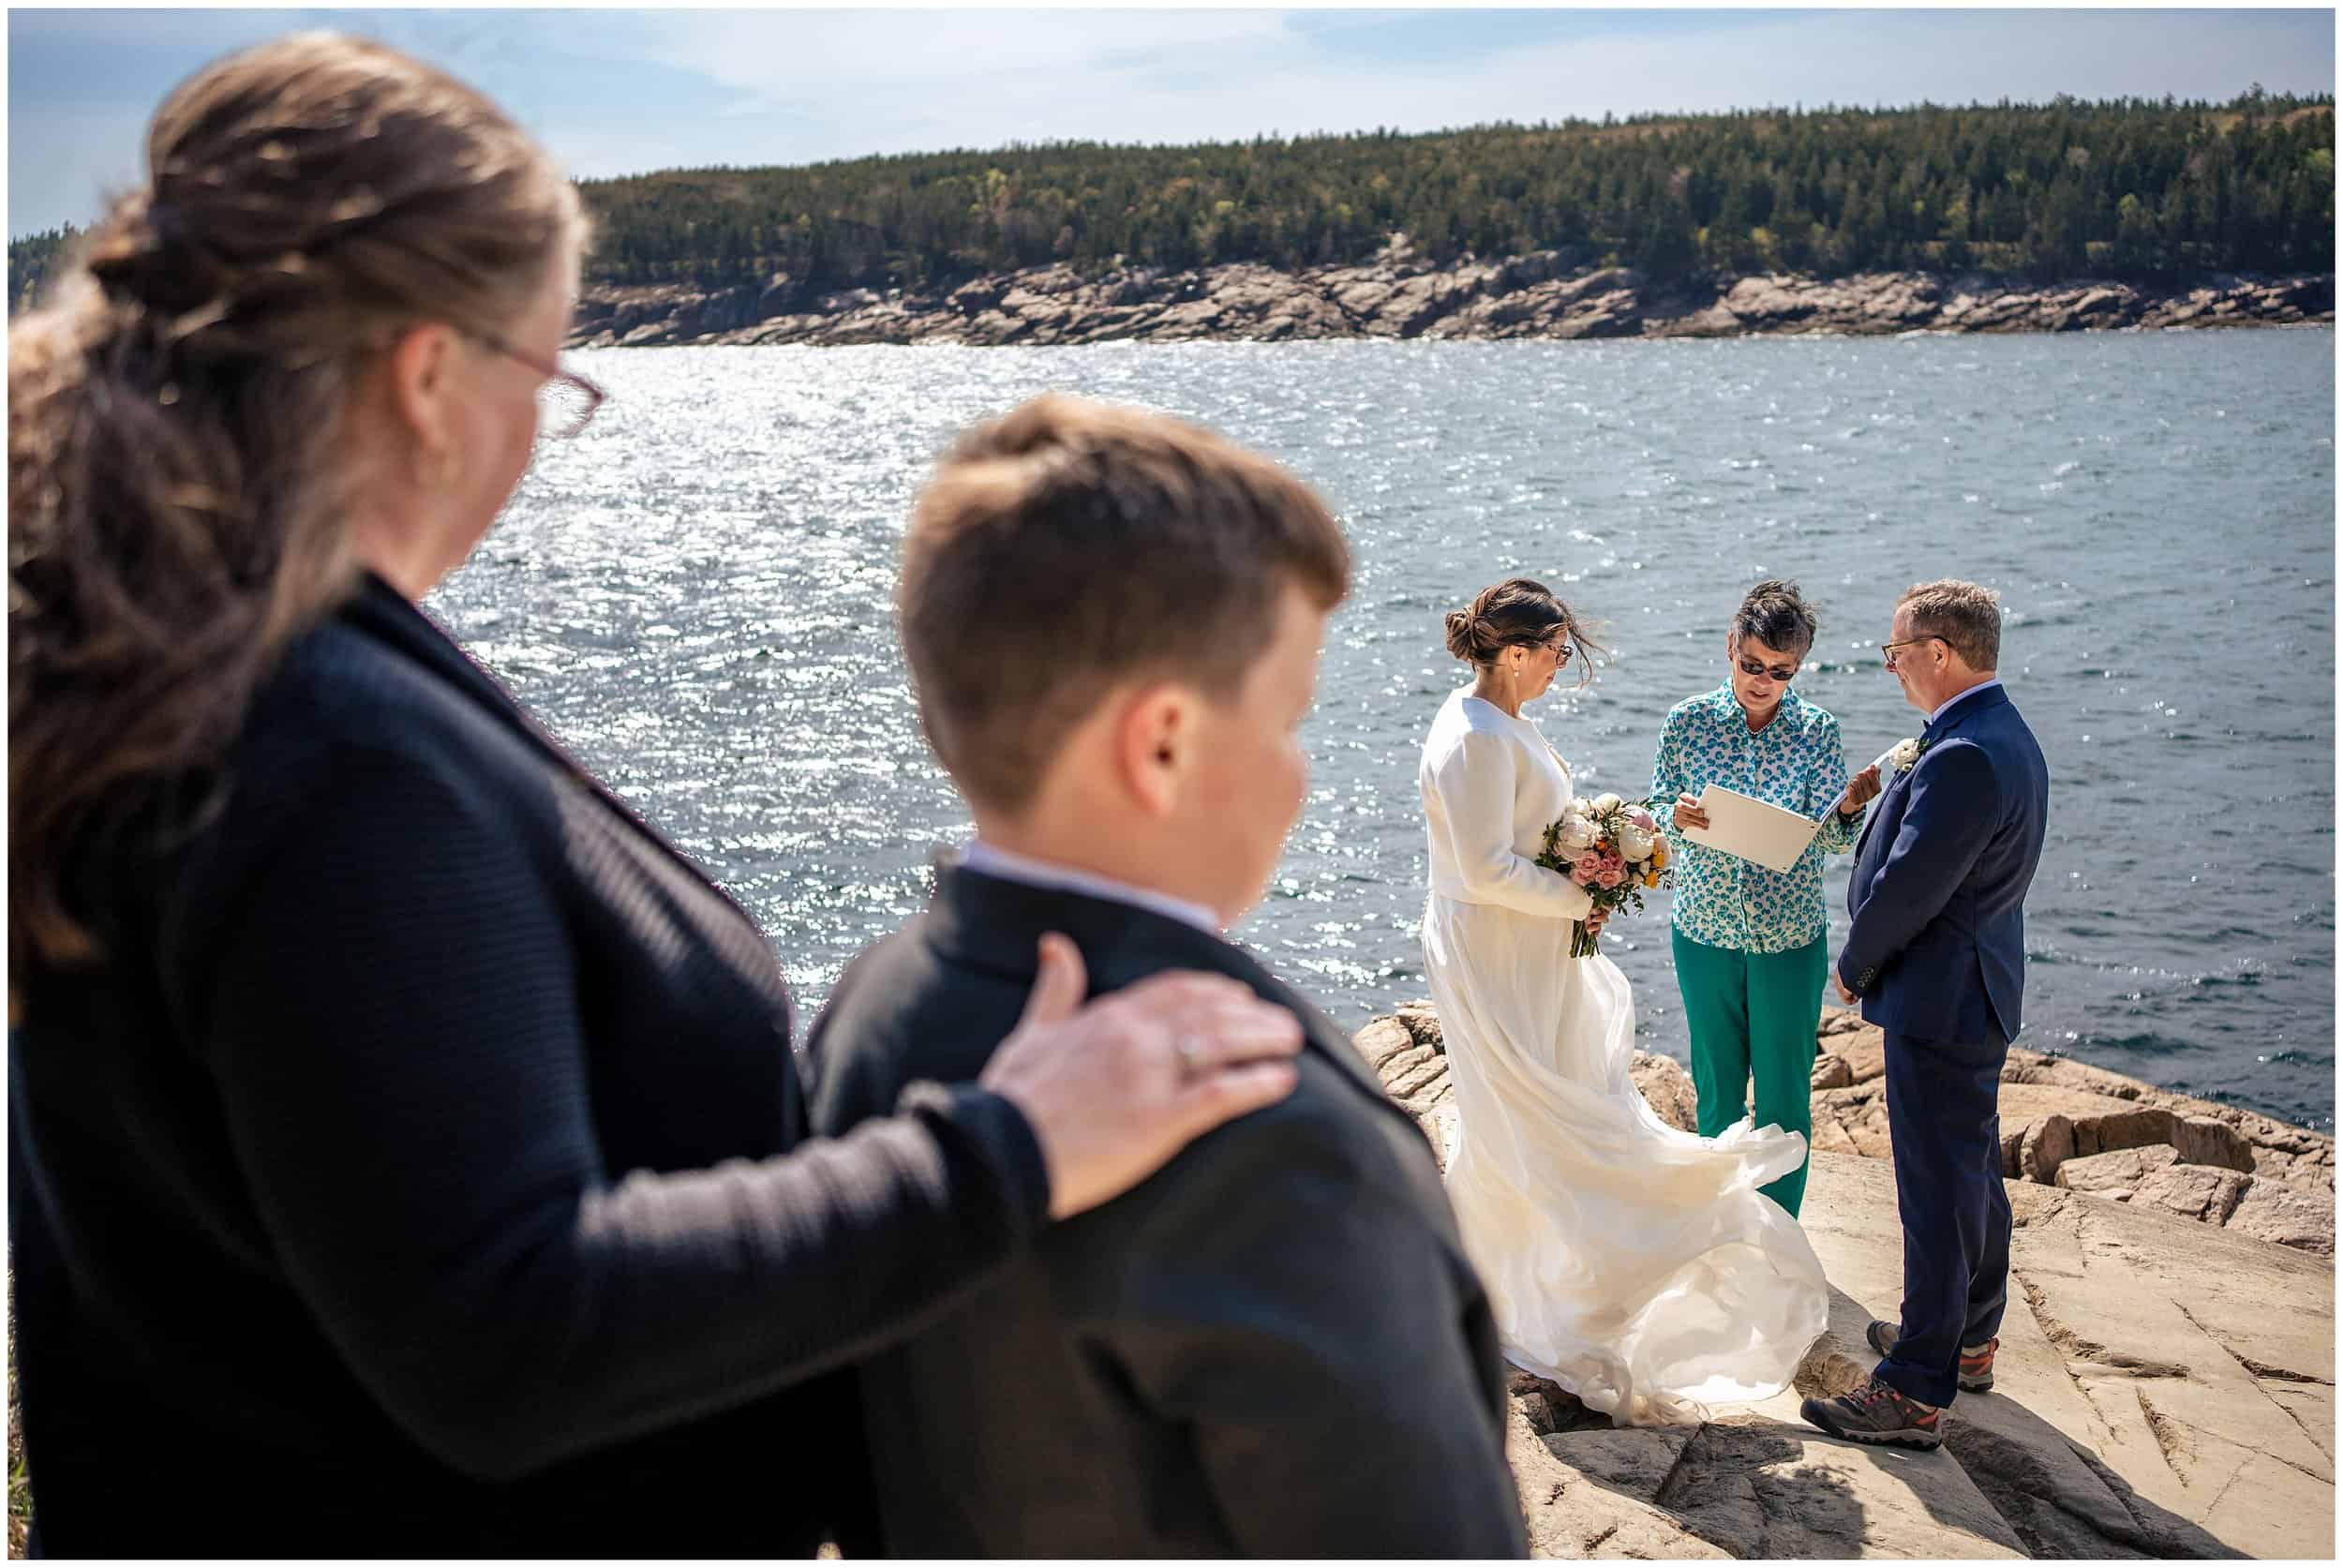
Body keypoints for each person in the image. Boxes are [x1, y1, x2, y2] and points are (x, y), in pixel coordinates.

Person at [6, 35, 1304, 1556]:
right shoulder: (332, 757)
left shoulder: (168, 673)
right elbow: (512, 1331)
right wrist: (1013, 1143)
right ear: (431, 378)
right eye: (550, 375)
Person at [805, 395, 1529, 1559]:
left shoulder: (870, 1008)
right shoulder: (1270, 1122)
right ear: (1161, 744)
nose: (1300, 776)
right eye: (1289, 719)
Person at [1417, 577, 1828, 1426]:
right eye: (1559, 653)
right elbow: (1482, 869)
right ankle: (1532, 1290)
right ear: (1518, 652)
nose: (1563, 667)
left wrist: (1595, 849)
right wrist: (1586, 890)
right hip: (1501, 949)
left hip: (1533, 947)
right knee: (1530, 1119)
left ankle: (1544, 1275)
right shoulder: (1473, 739)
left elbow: (1516, 842)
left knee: (1541, 1112)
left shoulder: (1499, 723)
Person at [1800, 580, 2049, 1451]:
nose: (1892, 665)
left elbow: (1914, 883)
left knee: (1936, 1193)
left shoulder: (1965, 754)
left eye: (1897, 651)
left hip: (1941, 996)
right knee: (1970, 1171)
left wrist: (1855, 962)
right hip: (1975, 989)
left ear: (1939, 653)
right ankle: (1968, 1339)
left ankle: (1913, 1389)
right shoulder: (2001, 735)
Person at [1650, 580, 1882, 1218]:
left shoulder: (1817, 731)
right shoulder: (1687, 721)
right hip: (1704, 933)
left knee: (1784, 1097)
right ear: (1731, 647)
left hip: (1789, 939)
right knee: (1719, 1090)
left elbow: (1833, 837)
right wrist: (1675, 814)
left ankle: (1778, 1241)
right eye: (1752, 664)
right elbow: (1652, 808)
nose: (1762, 681)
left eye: (1780, 672)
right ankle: (1720, 1228)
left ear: (1797, 669)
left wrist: (1852, 808)